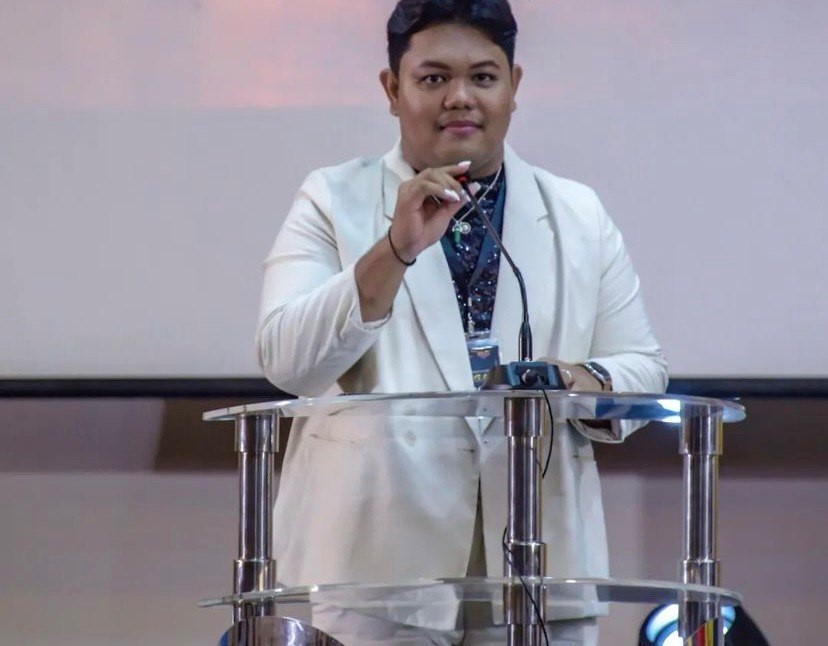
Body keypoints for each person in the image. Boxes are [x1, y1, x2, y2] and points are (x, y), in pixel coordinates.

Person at [256, 1, 668, 643]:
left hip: (539, 559)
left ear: (514, 86)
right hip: (379, 565)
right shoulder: (333, 198)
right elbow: (288, 363)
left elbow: (643, 367)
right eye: (433, 78)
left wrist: (566, 378)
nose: (460, 98)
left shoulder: (576, 212)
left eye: (483, 77)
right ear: (392, 90)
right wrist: (394, 249)